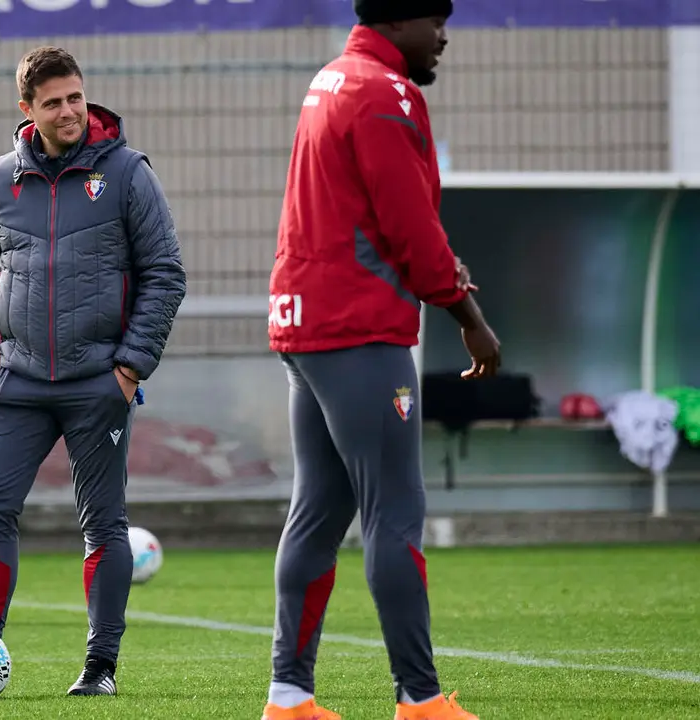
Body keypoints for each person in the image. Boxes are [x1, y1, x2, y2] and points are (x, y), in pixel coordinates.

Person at [260, 2, 501, 720]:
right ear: (402, 21)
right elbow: (409, 224)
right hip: (356, 329)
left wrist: (435, 266)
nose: (444, 36)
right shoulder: (385, 91)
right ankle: (420, 700)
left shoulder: (333, 78)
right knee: (394, 512)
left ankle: (289, 699)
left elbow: (368, 214)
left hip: (305, 323)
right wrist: (470, 319)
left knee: (318, 512)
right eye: (436, 20)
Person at [0, 45, 187, 698]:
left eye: (75, 97)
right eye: (53, 102)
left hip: (97, 384)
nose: (68, 111)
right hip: (17, 383)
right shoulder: (0, 179)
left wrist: (130, 368)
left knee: (102, 523)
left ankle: (99, 668)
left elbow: (166, 273)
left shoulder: (127, 173)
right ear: (27, 109)